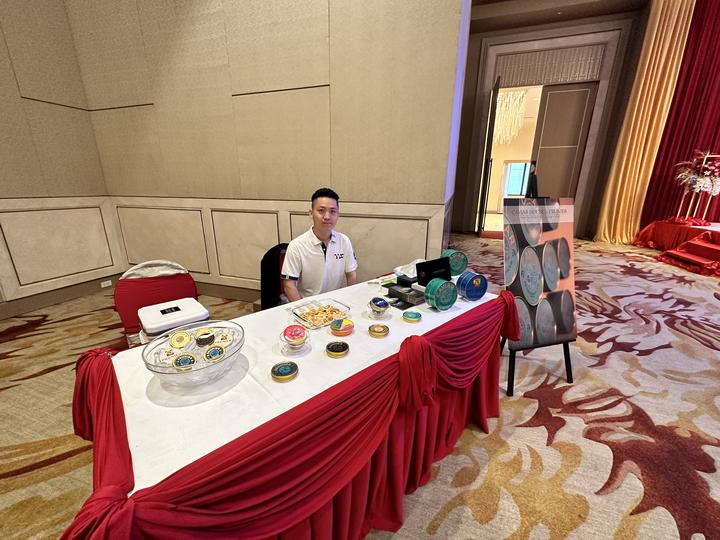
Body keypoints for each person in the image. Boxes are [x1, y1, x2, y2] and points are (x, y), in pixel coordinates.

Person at [281, 188, 358, 302]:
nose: (327, 216)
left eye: (332, 211)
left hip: (334, 303)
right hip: (307, 304)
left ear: (338, 214)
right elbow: (289, 285)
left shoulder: (344, 241)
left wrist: (350, 301)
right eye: (321, 210)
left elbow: (351, 275)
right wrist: (304, 309)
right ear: (311, 213)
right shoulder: (296, 246)